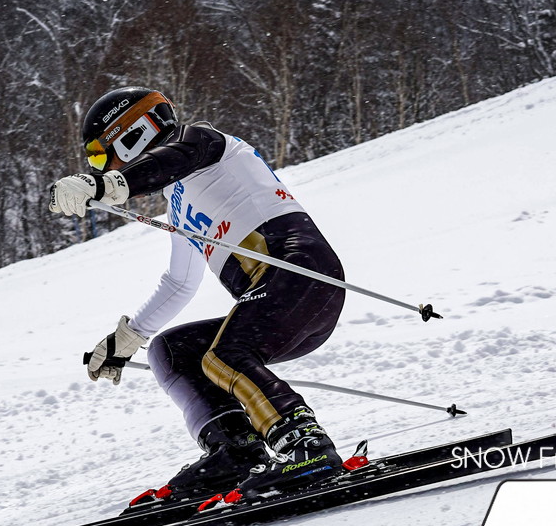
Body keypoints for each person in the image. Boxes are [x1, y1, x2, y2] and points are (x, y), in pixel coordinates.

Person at [48, 86, 347, 503]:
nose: (103, 164)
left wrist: (101, 183)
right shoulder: (179, 200)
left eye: (100, 154)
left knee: (225, 354)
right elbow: (179, 283)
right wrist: (128, 339)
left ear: (132, 132)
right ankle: (237, 452)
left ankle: (307, 447)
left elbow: (171, 160)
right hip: (277, 303)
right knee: (174, 351)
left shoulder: (206, 142)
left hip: (301, 275)